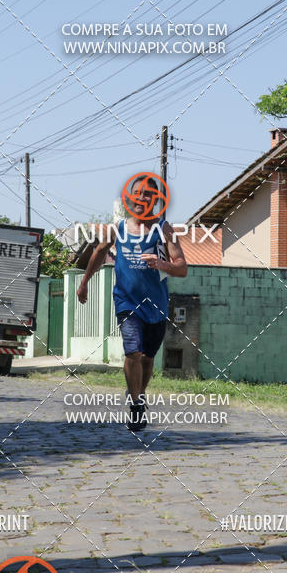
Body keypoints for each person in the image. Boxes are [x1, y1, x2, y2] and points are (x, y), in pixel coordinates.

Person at [77, 175, 187, 432]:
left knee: (148, 359)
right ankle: (136, 405)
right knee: (133, 352)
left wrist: (161, 264)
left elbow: (182, 268)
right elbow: (99, 251)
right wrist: (84, 282)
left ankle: (137, 393)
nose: (141, 198)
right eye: (137, 193)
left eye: (147, 194)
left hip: (157, 304)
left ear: (156, 199)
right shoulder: (118, 228)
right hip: (126, 301)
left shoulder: (164, 229)